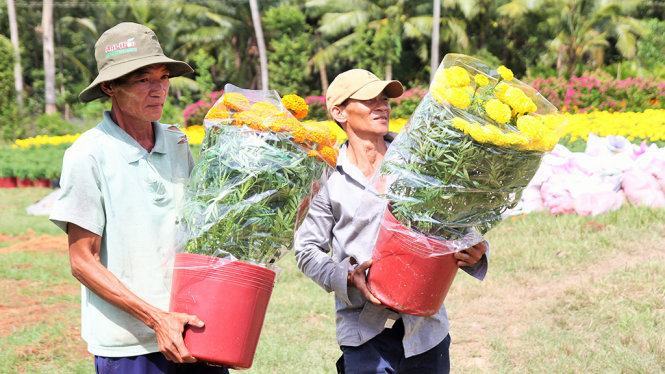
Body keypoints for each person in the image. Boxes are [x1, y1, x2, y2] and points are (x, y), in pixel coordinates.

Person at [49, 22, 227, 374]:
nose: (158, 90)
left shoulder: (176, 143)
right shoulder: (88, 154)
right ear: (109, 87)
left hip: (192, 326)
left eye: (163, 78)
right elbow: (83, 261)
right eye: (143, 80)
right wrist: (156, 319)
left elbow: (198, 229)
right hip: (130, 344)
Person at [294, 69, 489, 373]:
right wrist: (346, 275)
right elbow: (306, 250)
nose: (382, 106)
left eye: (384, 99)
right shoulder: (327, 176)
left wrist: (475, 253)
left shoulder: (421, 162)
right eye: (369, 100)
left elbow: (456, 223)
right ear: (339, 111)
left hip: (426, 330)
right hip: (364, 331)